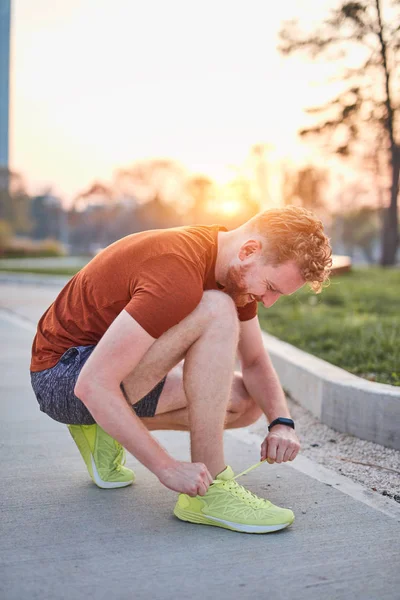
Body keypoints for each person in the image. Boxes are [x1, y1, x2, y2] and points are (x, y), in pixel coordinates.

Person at [30, 205, 332, 534]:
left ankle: (105, 427)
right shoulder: (177, 271)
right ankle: (209, 493)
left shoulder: (231, 271)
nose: (268, 301)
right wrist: (166, 467)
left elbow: (256, 362)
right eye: (271, 287)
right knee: (216, 308)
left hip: (101, 374)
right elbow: (92, 385)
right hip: (63, 377)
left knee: (244, 402)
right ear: (249, 250)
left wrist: (282, 423)